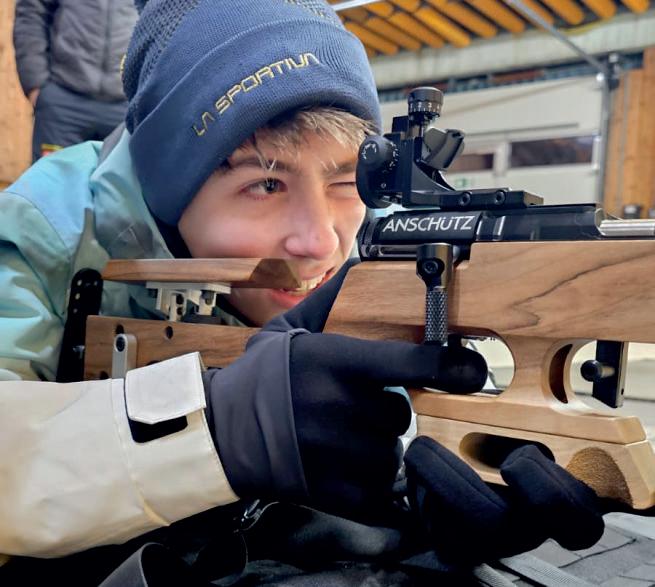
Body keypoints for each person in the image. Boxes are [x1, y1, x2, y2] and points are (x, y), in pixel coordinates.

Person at [0, 1, 604, 585]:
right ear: (166, 193)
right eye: (266, 184)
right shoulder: (45, 227)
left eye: (345, 180)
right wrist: (216, 429)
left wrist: (431, 483)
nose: (321, 241)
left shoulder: (390, 236)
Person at [13, 0, 138, 160]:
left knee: (121, 176)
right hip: (63, 103)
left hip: (126, 109)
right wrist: (36, 85)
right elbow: (32, 10)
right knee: (55, 176)